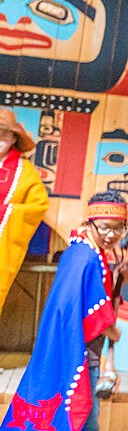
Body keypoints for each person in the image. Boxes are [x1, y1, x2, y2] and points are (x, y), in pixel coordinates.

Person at [0, 191, 127, 431]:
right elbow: (85, 310)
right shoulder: (84, 255)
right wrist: (112, 328)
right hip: (79, 358)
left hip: (76, 354)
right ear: (91, 221)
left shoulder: (86, 251)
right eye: (106, 226)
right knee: (78, 428)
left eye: (118, 227)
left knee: (60, 429)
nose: (112, 234)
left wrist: (117, 282)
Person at [0, 108, 49, 314]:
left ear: (13, 139)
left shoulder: (25, 172)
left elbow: (38, 207)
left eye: (3, 135)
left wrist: (7, 212)